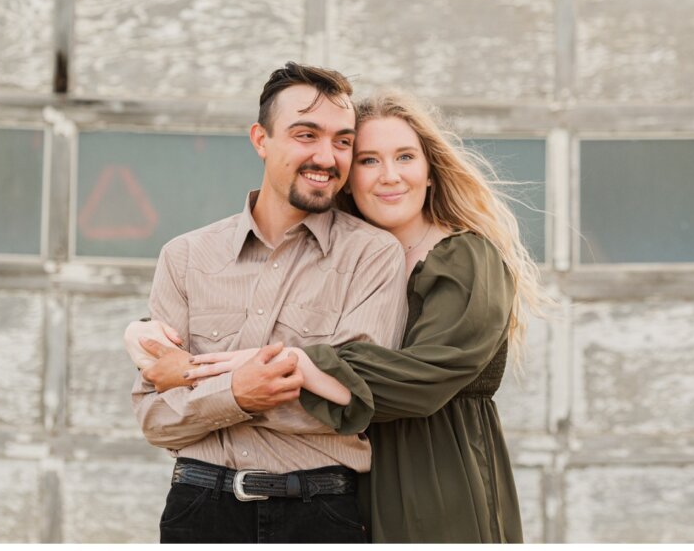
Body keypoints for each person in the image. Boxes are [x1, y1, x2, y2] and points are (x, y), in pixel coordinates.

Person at [132, 92, 543, 542]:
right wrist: (140, 332)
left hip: (434, 479)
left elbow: (427, 375)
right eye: (368, 160)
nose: (390, 176)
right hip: (347, 493)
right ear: (349, 178)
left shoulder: (466, 257)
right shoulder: (337, 256)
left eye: (405, 157)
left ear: (430, 172)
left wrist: (261, 369)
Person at [128, 62, 409, 543]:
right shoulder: (186, 257)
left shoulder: (374, 256)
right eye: (306, 135)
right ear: (261, 139)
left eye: (343, 141)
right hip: (198, 510)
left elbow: (356, 400)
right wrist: (242, 390)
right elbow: (156, 419)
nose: (328, 156)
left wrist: (200, 380)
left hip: (320, 514)